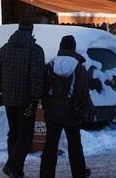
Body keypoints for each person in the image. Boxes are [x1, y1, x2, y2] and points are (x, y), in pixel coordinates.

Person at [0, 20, 45, 178]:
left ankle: (16, 170)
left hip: (9, 99)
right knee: (26, 135)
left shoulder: (5, 49)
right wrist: (35, 99)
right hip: (26, 101)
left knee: (13, 133)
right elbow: (37, 76)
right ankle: (12, 166)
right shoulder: (35, 50)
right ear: (31, 30)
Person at [39, 35, 91, 178]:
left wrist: (46, 105)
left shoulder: (51, 65)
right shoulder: (78, 67)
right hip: (72, 112)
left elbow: (44, 88)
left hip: (53, 111)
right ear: (73, 48)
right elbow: (83, 92)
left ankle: (46, 174)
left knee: (50, 146)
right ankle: (79, 173)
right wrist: (87, 109)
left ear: (60, 47)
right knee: (75, 145)